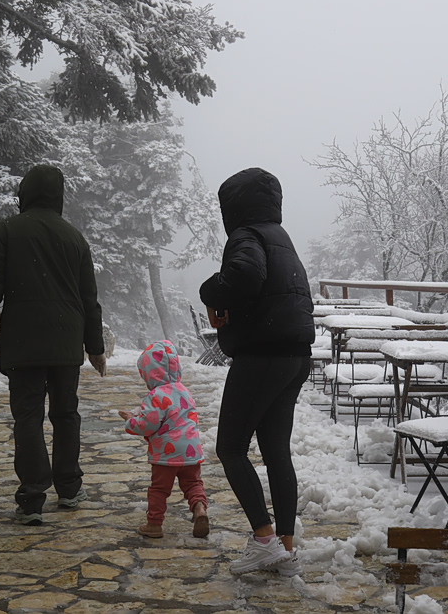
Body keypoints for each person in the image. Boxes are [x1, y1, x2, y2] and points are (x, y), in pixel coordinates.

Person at [0, 164, 107, 527]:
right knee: (65, 414)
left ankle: (32, 498)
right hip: (65, 342)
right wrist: (95, 346)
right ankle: (69, 487)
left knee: (27, 417)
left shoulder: (8, 232)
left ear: (25, 193)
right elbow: (89, 298)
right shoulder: (74, 237)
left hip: (23, 342)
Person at [199, 167, 315, 576]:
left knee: (230, 448)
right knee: (275, 450)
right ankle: (285, 549)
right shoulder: (281, 238)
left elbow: (246, 275)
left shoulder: (246, 235)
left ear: (234, 206)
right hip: (295, 354)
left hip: (264, 354)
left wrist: (209, 291)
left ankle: (264, 541)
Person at [118, 340, 209, 539]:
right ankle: (200, 509)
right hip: (191, 450)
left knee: (159, 489)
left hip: (167, 453)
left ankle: (154, 524)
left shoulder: (156, 395)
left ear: (150, 373)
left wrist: (130, 421)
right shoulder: (184, 391)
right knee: (193, 484)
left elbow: (147, 424)